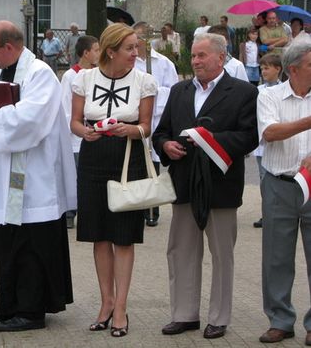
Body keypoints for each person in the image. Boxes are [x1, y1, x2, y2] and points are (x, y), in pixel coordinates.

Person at [0, 20, 75, 332]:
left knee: (31, 245)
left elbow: (33, 119)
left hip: (33, 177)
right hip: (7, 173)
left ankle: (32, 311)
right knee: (9, 241)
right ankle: (11, 304)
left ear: (9, 47)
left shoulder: (39, 74)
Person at [153, 33, 258, 339]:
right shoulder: (179, 90)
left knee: (221, 254)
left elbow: (249, 137)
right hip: (184, 182)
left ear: (220, 57)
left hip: (221, 186)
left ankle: (219, 317)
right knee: (181, 250)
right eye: (194, 56)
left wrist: (209, 141)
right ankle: (184, 314)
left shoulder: (242, 92)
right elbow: (161, 133)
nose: (195, 61)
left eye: (201, 55)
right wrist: (167, 145)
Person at [71, 23, 157, 338]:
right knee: (99, 235)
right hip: (93, 157)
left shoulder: (145, 82)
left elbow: (147, 126)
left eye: (137, 47)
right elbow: (75, 122)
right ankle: (106, 303)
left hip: (127, 159)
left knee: (123, 237)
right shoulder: (84, 78)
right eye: (130, 48)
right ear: (111, 51)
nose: (136, 53)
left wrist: (130, 130)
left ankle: (121, 307)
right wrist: (86, 132)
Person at [256, 42, 311, 345]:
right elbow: (270, 132)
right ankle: (280, 320)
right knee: (276, 258)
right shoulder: (269, 95)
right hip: (279, 184)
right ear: (294, 69)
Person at [133, 21, 179, 227]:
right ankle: (136, 205)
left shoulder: (163, 63)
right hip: (135, 118)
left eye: (144, 37)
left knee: (153, 164)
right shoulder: (130, 63)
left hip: (156, 117)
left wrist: (154, 96)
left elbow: (173, 91)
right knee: (136, 163)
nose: (141, 42)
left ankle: (152, 208)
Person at [60, 35, 100, 229]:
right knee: (74, 174)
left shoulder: (98, 74)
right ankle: (70, 212)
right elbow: (66, 107)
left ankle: (88, 212)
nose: (99, 54)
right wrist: (76, 128)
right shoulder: (70, 76)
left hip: (94, 133)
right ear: (86, 53)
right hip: (76, 136)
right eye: (96, 50)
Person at [252, 53, 283, 229]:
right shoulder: (258, 91)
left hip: (279, 140)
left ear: (278, 69)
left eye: (267, 68)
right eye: (262, 68)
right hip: (261, 143)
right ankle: (267, 213)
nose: (263, 71)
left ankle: (281, 211)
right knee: (264, 179)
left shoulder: (284, 89)